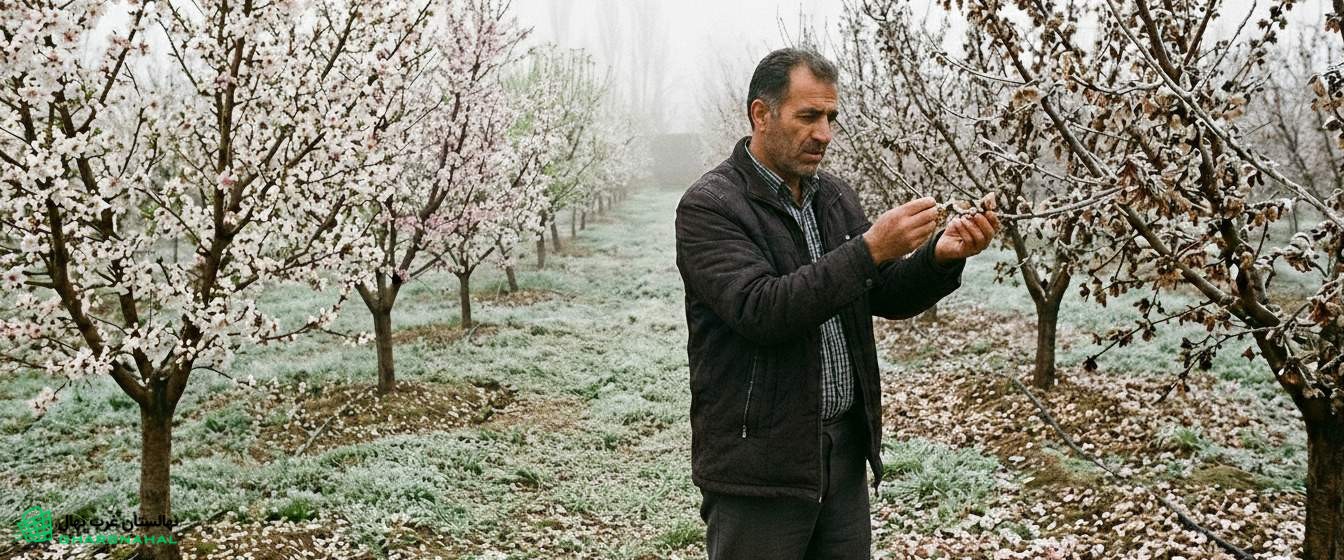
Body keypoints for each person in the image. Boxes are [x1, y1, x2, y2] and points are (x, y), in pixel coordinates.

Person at [674, 48, 1001, 559]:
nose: (824, 133)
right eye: (808, 116)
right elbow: (762, 310)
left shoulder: (834, 196)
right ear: (761, 114)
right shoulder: (711, 207)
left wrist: (939, 256)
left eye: (830, 118)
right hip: (760, 465)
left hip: (843, 453)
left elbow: (880, 291)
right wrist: (870, 249)